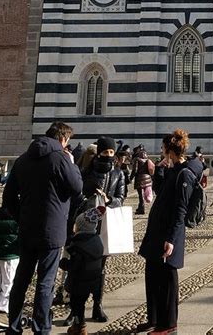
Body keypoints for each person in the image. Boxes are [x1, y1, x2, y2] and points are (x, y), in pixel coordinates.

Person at [3, 122, 83, 335]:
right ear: (63, 139)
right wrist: (72, 164)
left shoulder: (23, 159)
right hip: (52, 232)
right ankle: (41, 329)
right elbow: (77, 188)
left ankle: (13, 327)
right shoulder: (60, 159)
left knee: (21, 280)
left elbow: (8, 198)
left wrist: (22, 218)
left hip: (28, 230)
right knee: (45, 283)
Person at [137, 128, 203, 335]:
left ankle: (169, 325)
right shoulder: (173, 169)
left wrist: (172, 239)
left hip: (168, 232)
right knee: (152, 276)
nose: (160, 150)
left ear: (169, 149)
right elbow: (160, 192)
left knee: (167, 280)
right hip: (157, 230)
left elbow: (180, 209)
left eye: (162, 148)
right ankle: (154, 318)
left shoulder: (185, 173)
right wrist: (161, 168)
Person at [81, 135, 126, 322]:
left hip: (106, 225)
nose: (109, 155)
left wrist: (109, 200)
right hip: (87, 225)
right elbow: (78, 195)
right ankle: (76, 310)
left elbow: (120, 198)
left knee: (100, 269)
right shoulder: (86, 172)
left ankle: (97, 306)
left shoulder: (118, 174)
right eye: (106, 151)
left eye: (111, 152)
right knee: (81, 267)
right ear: (98, 152)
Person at [60, 208, 104, 335]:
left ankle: (80, 327)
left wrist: (63, 263)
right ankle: (78, 325)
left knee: (76, 305)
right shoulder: (97, 240)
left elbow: (73, 265)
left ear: (80, 227)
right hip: (92, 280)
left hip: (79, 282)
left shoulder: (77, 245)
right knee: (81, 303)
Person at [130, 148, 155, 215]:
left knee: (141, 196)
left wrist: (130, 178)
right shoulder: (148, 160)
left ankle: (141, 209)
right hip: (148, 179)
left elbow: (134, 170)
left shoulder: (137, 159)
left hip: (140, 179)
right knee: (144, 195)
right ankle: (139, 208)